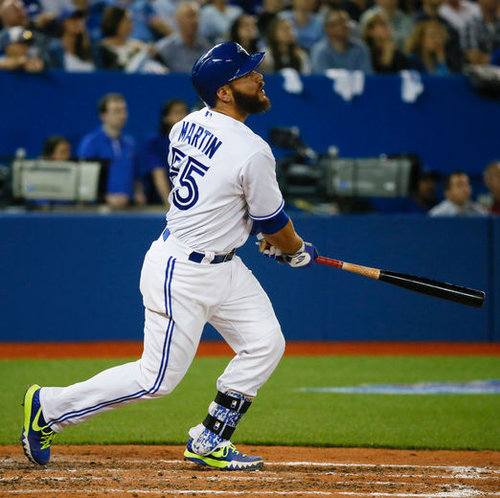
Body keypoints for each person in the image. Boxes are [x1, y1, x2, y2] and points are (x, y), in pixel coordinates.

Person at [21, 41, 318, 471]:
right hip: (182, 269)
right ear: (225, 92)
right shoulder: (252, 150)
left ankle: (211, 438)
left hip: (225, 265)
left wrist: (266, 235)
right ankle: (49, 407)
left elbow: (224, 199)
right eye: (248, 74)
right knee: (155, 380)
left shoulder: (185, 125)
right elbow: (275, 223)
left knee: (265, 343)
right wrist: (295, 251)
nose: (260, 78)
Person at [77, 93, 146, 209]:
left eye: (124, 110)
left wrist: (139, 194)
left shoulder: (130, 143)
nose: (122, 115)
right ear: (103, 115)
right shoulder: (90, 143)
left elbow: (136, 176)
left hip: (129, 208)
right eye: (116, 111)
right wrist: (106, 197)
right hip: (99, 209)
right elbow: (84, 179)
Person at [143, 98, 189, 205]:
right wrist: (170, 205)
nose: (183, 116)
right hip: (159, 204)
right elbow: (158, 174)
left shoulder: (192, 143)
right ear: (166, 118)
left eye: (185, 112)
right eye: (177, 113)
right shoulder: (155, 142)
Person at [97, 5, 167, 73]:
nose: (131, 25)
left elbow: (162, 65)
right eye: (127, 21)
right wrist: (131, 54)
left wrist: (154, 53)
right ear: (115, 21)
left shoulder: (138, 44)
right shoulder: (101, 49)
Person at [311, 9, 373, 73]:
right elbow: (321, 78)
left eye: (347, 22)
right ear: (327, 28)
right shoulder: (320, 50)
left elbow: (367, 76)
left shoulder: (360, 48)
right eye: (340, 22)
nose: (345, 26)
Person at [155, 1, 211, 73]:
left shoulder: (206, 48)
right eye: (190, 16)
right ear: (178, 20)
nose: (195, 20)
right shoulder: (165, 48)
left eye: (197, 16)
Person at [462, 0, 500, 65]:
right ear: (479, 2)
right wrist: (496, 57)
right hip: (479, 73)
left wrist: (484, 56)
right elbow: (475, 60)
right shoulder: (471, 25)